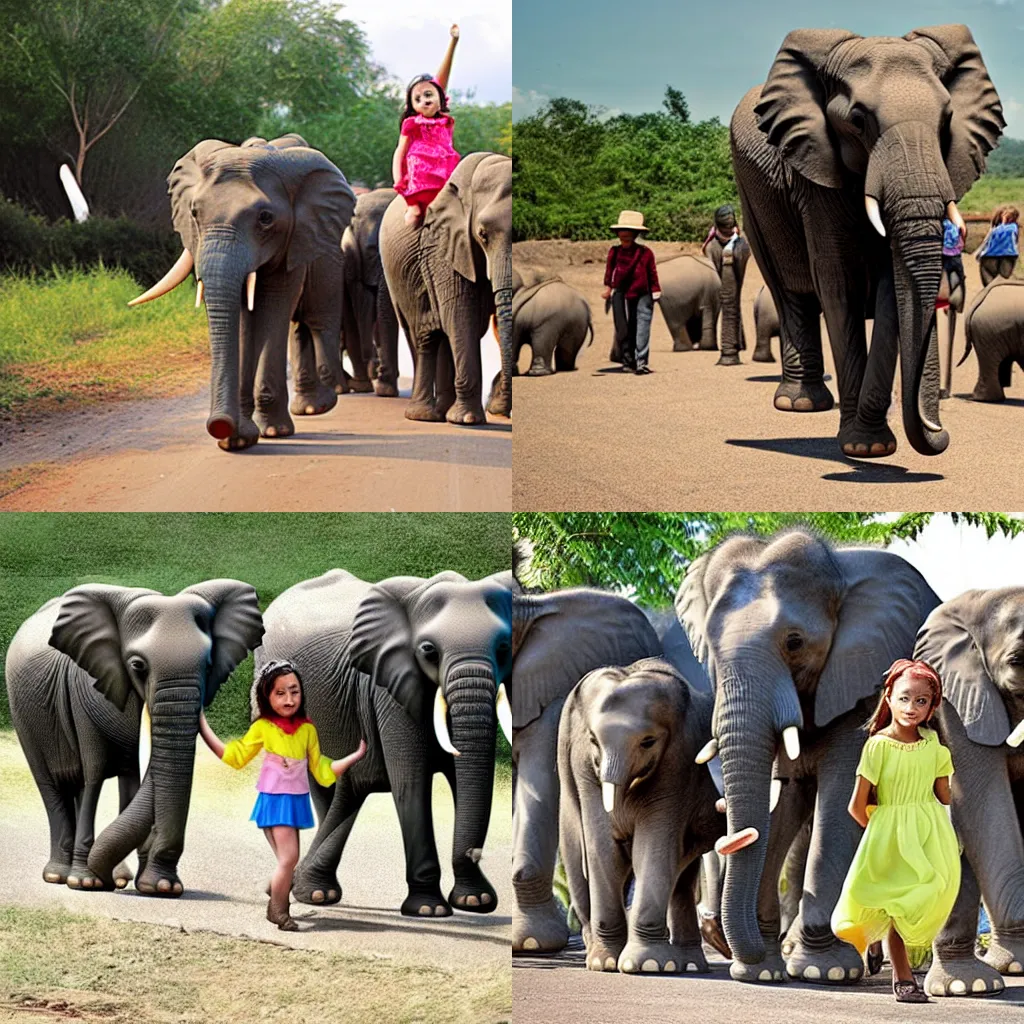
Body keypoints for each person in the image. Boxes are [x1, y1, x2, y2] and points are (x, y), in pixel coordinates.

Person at [198, 660, 367, 931]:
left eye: (294, 691)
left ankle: (276, 888)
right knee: (289, 859)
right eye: (280, 693)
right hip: (275, 801)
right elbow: (236, 756)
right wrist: (204, 728)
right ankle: (278, 910)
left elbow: (321, 769)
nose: (289, 699)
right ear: (266, 696)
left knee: (287, 861)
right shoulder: (264, 727)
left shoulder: (307, 729)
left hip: (295, 801)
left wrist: (353, 757)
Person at [831, 659, 960, 1004]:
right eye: (904, 698)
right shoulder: (877, 746)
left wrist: (951, 766)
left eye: (921, 701)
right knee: (896, 904)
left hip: (929, 834)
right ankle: (903, 976)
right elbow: (856, 806)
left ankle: (880, 938)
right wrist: (880, 834)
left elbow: (944, 796)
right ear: (888, 698)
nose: (911, 708)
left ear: (933, 707)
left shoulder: (934, 745)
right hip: (888, 835)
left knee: (932, 889)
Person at [392, 25, 461, 228]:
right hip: (419, 183)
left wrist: (453, 42)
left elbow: (441, 78)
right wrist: (399, 181)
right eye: (418, 98)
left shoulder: (445, 122)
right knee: (413, 218)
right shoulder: (412, 124)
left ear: (440, 97)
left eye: (428, 94)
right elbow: (400, 152)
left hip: (445, 180)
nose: (424, 100)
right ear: (413, 106)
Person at [601, 210, 661, 374]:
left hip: (642, 292)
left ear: (635, 234)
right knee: (623, 328)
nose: (624, 236)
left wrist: (656, 290)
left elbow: (652, 272)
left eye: (628, 233)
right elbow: (609, 271)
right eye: (622, 233)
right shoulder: (615, 252)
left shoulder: (645, 253)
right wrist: (608, 288)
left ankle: (641, 362)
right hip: (620, 292)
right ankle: (628, 360)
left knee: (641, 327)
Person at [976, 205, 1019, 285]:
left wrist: (1003, 222)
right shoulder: (1011, 228)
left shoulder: (1010, 228)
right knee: (1000, 283)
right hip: (1005, 257)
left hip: (992, 257)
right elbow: (986, 242)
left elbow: (987, 242)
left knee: (991, 285)